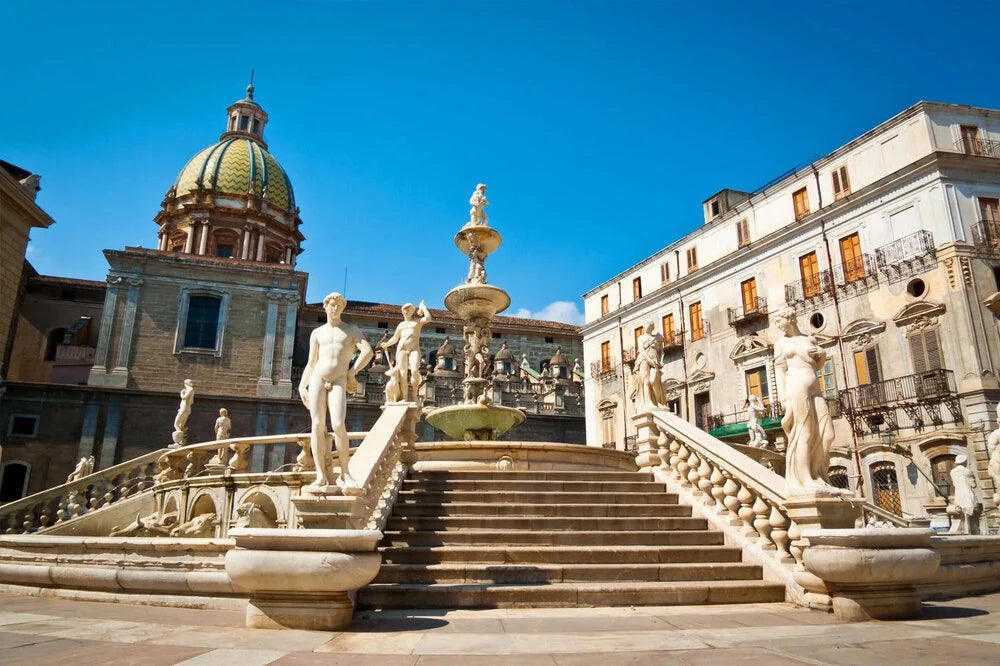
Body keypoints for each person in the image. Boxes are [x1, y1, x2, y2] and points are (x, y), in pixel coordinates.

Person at [298, 292, 373, 493]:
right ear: (325, 306)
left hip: (339, 379)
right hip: (317, 379)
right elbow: (311, 363)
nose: (335, 308)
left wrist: (352, 372)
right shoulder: (317, 333)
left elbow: (367, 352)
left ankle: (345, 472)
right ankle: (321, 475)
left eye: (339, 305)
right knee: (317, 425)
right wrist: (301, 385)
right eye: (332, 304)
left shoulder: (350, 330)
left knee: (338, 424)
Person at [773, 308, 834, 489]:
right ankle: (805, 478)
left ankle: (818, 474)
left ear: (789, 318)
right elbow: (779, 369)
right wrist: (783, 396)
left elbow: (817, 365)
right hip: (796, 385)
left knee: (828, 433)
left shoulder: (809, 339)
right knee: (803, 433)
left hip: (814, 386)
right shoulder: (781, 343)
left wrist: (821, 356)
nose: (777, 325)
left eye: (778, 321)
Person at [378, 301, 431, 402]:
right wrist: (387, 344)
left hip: (414, 349)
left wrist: (423, 308)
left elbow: (428, 318)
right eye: (405, 309)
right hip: (401, 349)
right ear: (402, 312)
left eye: (409, 309)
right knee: (403, 373)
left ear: (412, 311)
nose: (407, 311)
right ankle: (405, 398)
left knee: (415, 371)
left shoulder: (417, 321)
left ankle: (415, 394)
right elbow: (395, 338)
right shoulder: (401, 325)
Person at [632, 319, 666, 410]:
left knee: (654, 381)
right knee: (645, 381)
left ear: (652, 327)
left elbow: (661, 351)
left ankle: (659, 402)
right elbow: (641, 350)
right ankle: (648, 402)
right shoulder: (641, 338)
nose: (645, 326)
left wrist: (662, 361)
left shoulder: (657, 338)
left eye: (647, 324)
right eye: (645, 324)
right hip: (643, 360)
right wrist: (648, 359)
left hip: (655, 361)